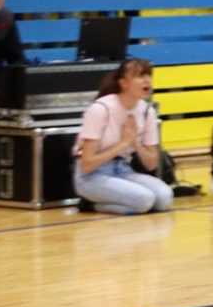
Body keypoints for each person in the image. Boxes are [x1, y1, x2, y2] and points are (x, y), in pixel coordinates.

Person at [74, 58, 173, 215]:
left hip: (123, 170)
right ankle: (90, 204)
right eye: (140, 76)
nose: (147, 80)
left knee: (165, 198)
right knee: (144, 200)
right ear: (123, 83)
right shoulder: (100, 109)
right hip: (91, 176)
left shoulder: (147, 111)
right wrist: (123, 143)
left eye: (148, 75)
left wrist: (135, 143)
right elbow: (87, 164)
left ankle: (115, 201)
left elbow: (152, 164)